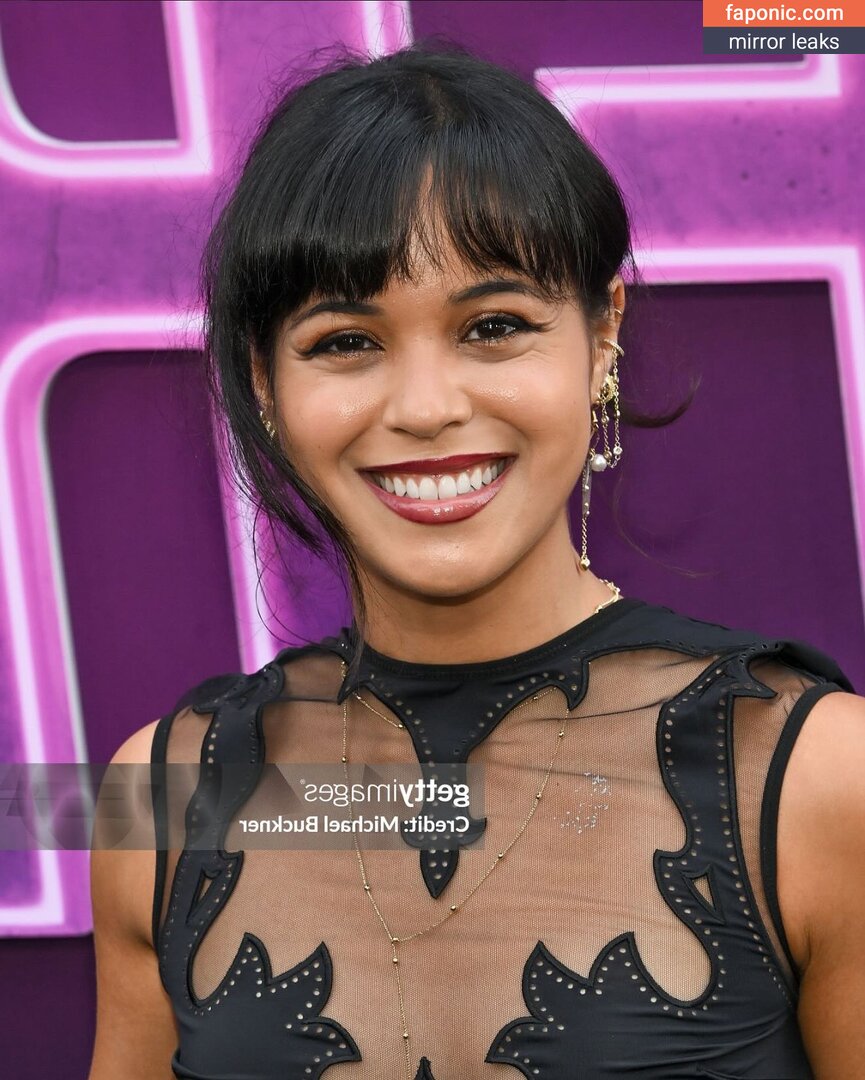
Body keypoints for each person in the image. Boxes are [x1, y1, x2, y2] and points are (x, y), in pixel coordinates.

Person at [88, 41, 865, 1080]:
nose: (424, 408)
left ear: (600, 339)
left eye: (493, 326)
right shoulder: (164, 796)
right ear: (264, 386)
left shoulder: (818, 776)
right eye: (344, 342)